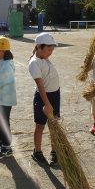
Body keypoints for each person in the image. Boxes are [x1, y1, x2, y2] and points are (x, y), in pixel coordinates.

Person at [28, 33, 60, 167]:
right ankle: (38, 151)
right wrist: (47, 104)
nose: (51, 53)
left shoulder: (44, 57)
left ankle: (54, 151)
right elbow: (40, 85)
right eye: (49, 49)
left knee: (54, 125)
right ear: (39, 47)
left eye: (52, 50)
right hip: (43, 97)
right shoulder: (34, 63)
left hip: (55, 95)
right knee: (40, 126)